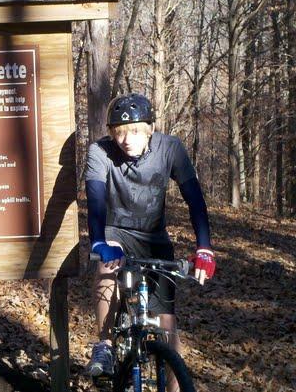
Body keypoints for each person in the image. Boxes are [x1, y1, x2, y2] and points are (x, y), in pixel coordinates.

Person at [84, 93, 216, 391]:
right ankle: (104, 344)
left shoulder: (170, 149)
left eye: (134, 132)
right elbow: (95, 200)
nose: (126, 140)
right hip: (115, 231)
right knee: (108, 263)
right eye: (119, 132)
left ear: (149, 130)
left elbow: (194, 198)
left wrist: (204, 247)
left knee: (167, 326)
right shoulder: (99, 151)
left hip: (154, 238)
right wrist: (98, 242)